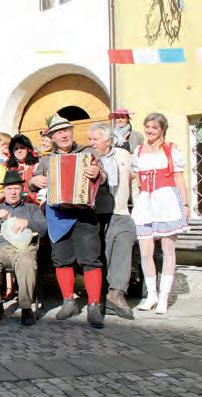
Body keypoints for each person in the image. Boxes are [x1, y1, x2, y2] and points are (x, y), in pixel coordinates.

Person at [28, 113, 106, 328]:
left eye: (66, 131)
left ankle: (93, 305)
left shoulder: (89, 153)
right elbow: (31, 185)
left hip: (84, 214)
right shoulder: (46, 160)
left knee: (91, 259)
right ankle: (68, 301)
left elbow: (104, 178)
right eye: (58, 133)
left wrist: (97, 173)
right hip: (58, 215)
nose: (63, 135)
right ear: (52, 137)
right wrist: (35, 180)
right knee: (61, 259)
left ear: (72, 132)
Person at [131, 113, 190, 314]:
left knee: (168, 249)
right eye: (147, 127)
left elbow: (179, 178)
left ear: (162, 129)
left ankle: (164, 296)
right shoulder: (139, 151)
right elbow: (136, 179)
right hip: (145, 202)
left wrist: (185, 205)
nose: (150, 131)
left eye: (154, 127)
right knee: (145, 251)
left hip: (166, 201)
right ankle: (152, 295)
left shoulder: (170, 150)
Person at [0, 171, 47, 324]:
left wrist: (28, 223)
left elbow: (44, 229)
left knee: (26, 262)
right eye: (9, 189)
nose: (13, 192)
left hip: (23, 248)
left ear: (22, 189)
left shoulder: (31, 208)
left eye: (16, 188)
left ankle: (26, 307)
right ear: (4, 191)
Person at [87, 123, 135, 320]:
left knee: (126, 240)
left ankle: (116, 293)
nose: (91, 143)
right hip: (98, 213)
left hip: (121, 210)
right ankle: (100, 294)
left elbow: (134, 179)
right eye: (90, 139)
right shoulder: (88, 159)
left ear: (108, 140)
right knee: (103, 252)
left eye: (95, 139)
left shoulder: (124, 155)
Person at [6, 134, 41, 205]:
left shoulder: (37, 165)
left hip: (33, 203)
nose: (19, 151)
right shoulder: (8, 167)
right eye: (16, 148)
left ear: (28, 149)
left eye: (22, 148)